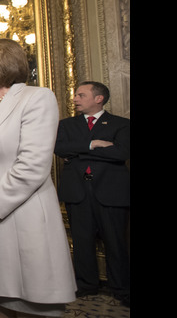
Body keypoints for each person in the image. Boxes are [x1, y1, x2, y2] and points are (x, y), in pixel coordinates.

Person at [0, 38, 76, 317]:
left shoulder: (37, 98)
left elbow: (32, 165)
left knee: (36, 304)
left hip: (25, 217)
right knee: (0, 302)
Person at [54, 81, 130, 306]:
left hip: (111, 192)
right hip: (77, 191)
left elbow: (122, 153)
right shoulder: (66, 125)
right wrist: (94, 144)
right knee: (81, 241)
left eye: (81, 95)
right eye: (76, 95)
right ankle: (86, 285)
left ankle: (121, 288)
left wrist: (79, 152)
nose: (75, 99)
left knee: (116, 243)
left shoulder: (121, 124)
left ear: (98, 98)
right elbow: (59, 148)